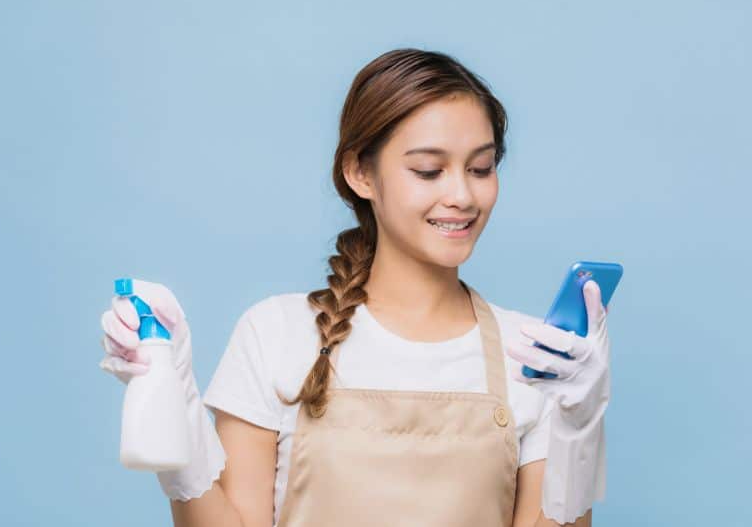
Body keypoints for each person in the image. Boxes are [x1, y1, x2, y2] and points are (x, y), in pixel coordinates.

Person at [100, 48, 611, 527]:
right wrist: (180, 417)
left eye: (481, 168)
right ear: (360, 173)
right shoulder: (276, 334)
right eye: (429, 170)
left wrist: (578, 431)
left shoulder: (537, 357)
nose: (461, 194)